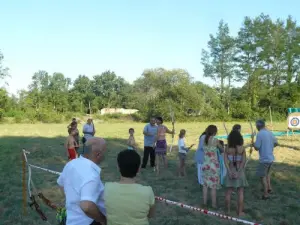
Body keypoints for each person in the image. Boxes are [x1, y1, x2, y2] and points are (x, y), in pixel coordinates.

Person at [57, 137, 107, 225]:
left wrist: (73, 201)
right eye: (104, 151)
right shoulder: (92, 175)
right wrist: (102, 219)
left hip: (71, 220)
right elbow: (87, 206)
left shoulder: (71, 164)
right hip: (88, 221)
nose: (105, 154)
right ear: (98, 155)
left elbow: (61, 184)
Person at [104, 150, 155, 225]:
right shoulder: (147, 191)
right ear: (138, 169)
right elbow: (151, 215)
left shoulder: (107, 188)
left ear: (118, 167)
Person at [224, 130, 248, 216]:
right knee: (240, 192)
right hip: (239, 171)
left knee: (228, 192)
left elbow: (226, 161)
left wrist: (229, 172)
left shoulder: (227, 148)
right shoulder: (242, 148)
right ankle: (240, 212)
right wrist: (238, 172)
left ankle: (227, 211)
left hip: (230, 170)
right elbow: (243, 161)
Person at [253, 119, 278, 200]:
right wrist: (269, 146)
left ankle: (266, 194)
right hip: (270, 158)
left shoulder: (260, 134)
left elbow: (257, 147)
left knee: (262, 176)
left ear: (258, 126)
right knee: (267, 174)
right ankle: (269, 188)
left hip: (264, 159)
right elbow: (276, 143)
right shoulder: (269, 132)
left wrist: (253, 144)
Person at [202, 125, 224, 208]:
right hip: (213, 166)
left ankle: (204, 203)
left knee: (205, 185)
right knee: (213, 186)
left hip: (205, 164)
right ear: (215, 132)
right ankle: (214, 205)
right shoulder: (215, 140)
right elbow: (222, 149)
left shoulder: (204, 139)